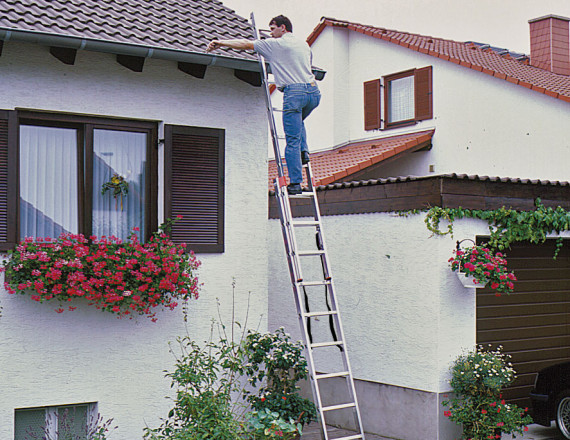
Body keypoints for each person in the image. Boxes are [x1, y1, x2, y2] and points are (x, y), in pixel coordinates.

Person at [207, 15, 320, 195]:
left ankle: (296, 183)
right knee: (299, 123)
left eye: (273, 29)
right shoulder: (303, 44)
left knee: (291, 140)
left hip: (294, 93)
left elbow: (245, 44)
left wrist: (219, 42)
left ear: (283, 28)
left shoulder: (275, 44)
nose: (271, 33)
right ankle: (303, 152)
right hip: (313, 93)